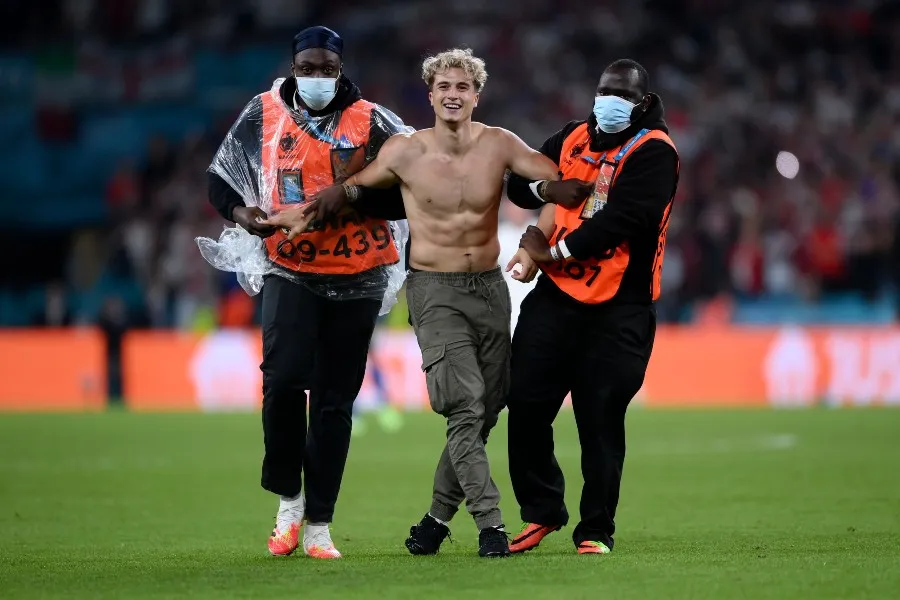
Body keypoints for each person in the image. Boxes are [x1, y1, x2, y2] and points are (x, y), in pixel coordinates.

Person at [263, 48, 589, 557]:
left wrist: (532, 242)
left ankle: (435, 520)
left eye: (462, 87)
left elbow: (562, 187)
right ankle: (491, 525)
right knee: (463, 408)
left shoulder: (501, 145)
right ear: (430, 95)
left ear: (476, 96)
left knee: (484, 412)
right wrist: (298, 214)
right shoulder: (403, 151)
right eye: (443, 87)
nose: (453, 95)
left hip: (489, 288)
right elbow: (347, 191)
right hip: (434, 290)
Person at [205, 26, 410, 560]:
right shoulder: (263, 111)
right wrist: (240, 213)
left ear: (341, 71)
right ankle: (289, 500)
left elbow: (411, 194)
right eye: (309, 68)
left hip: (358, 272)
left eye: (328, 69)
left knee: (335, 402)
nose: (318, 77)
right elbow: (221, 180)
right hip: (288, 266)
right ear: (293, 67)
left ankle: (320, 522)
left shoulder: (372, 120)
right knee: (282, 380)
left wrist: (352, 197)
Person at [504, 59, 680, 555]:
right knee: (525, 400)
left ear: (642, 103)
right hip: (557, 297)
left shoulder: (654, 152)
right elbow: (516, 182)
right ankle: (543, 510)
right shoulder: (572, 136)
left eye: (622, 94)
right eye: (605, 90)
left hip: (620, 306)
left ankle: (595, 529)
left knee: (599, 418)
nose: (610, 100)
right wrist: (547, 189)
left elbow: (626, 220)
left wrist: (551, 253)